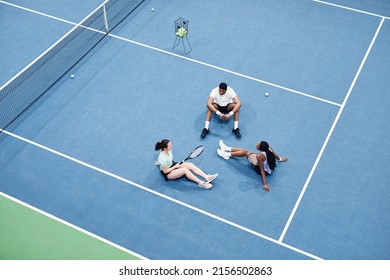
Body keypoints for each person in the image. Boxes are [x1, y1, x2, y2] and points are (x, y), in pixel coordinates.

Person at [217, 140, 287, 191]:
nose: (257, 143)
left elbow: (262, 169)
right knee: (244, 150)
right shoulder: (268, 147)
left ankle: (226, 155)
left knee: (244, 152)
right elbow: (275, 154)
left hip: (261, 169)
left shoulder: (260, 156)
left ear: (260, 148)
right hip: (267, 165)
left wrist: (265, 184)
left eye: (258, 144)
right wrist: (280, 159)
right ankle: (226, 148)